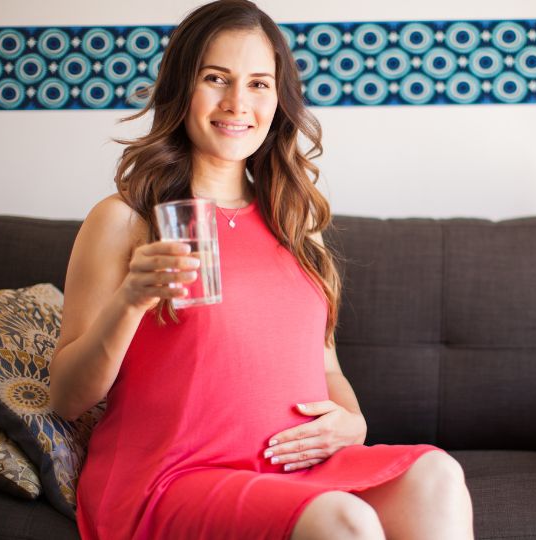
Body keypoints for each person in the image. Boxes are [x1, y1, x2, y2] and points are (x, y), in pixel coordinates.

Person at [49, 1, 474, 538]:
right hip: (175, 475)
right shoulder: (124, 219)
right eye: (215, 78)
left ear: (278, 99)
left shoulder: (297, 220)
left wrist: (353, 423)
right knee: (345, 520)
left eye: (258, 83)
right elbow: (66, 396)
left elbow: (327, 370)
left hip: (293, 471)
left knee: (437, 473)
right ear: (182, 87)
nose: (237, 102)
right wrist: (131, 298)